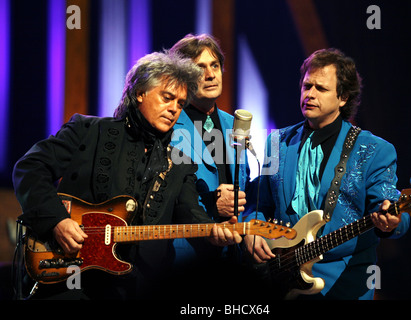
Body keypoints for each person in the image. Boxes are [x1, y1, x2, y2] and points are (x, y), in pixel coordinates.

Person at [12, 51, 242, 300]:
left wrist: (213, 232)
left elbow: (190, 211)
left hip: (139, 287)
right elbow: (30, 168)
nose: (174, 109)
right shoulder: (88, 131)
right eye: (167, 98)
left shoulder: (180, 162)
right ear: (140, 92)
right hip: (70, 278)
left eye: (180, 103)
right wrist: (57, 221)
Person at [245, 48, 410, 300]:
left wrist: (393, 220)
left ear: (343, 97)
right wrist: (253, 228)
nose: (309, 94)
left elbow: (391, 205)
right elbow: (259, 202)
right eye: (306, 86)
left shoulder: (375, 149)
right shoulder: (276, 142)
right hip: (280, 278)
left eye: (320, 89)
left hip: (344, 284)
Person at [169, 34, 252, 266]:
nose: (210, 75)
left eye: (215, 65)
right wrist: (210, 202)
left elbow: (245, 188)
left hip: (231, 258)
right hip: (186, 258)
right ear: (183, 77)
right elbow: (162, 197)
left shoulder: (234, 124)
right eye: (200, 68)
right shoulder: (169, 124)